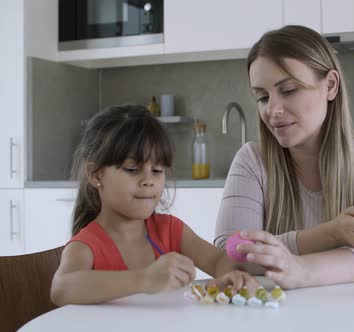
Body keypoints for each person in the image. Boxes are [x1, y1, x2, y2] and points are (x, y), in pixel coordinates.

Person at [214, 25, 354, 289]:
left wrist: (302, 270)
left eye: (288, 90)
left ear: (330, 86)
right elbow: (231, 254)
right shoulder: (252, 160)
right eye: (262, 97)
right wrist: (330, 234)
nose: (272, 110)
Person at [51, 105, 258, 305]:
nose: (148, 180)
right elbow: (61, 289)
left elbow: (217, 261)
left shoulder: (170, 230)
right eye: (132, 169)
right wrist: (144, 279)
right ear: (95, 175)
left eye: (157, 170)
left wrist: (234, 275)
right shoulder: (87, 246)